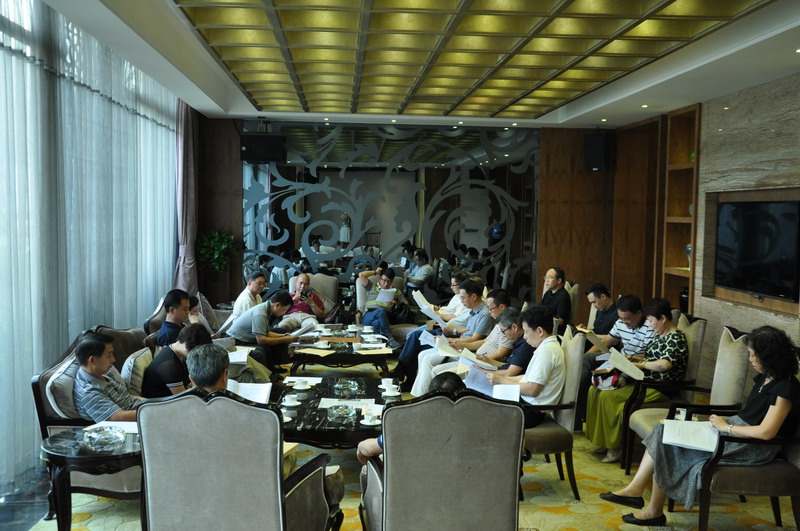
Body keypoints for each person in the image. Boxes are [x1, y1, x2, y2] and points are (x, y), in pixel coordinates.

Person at [600, 326, 800, 527]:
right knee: (665, 430)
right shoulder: (767, 377)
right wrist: (724, 424)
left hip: (750, 445)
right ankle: (637, 491)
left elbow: (766, 432)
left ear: (770, 356)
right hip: (735, 432)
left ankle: (652, 508)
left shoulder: (785, 387)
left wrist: (726, 428)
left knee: (670, 441)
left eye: (753, 355)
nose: (750, 360)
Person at [585, 298, 688, 464]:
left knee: (607, 397)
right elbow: (649, 356)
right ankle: (602, 440)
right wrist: (628, 358)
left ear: (662, 318)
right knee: (594, 390)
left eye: (651, 321)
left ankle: (615, 446)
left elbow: (664, 364)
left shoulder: (676, 337)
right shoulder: (660, 335)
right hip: (642, 381)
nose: (650, 325)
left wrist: (640, 364)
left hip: (659, 387)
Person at [393, 277, 492, 391]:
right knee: (422, 354)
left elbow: (475, 338)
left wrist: (451, 341)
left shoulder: (484, 314)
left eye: (463, 297)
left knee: (428, 359)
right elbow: (469, 330)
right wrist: (452, 334)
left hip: (466, 350)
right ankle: (419, 393)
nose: (461, 301)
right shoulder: (473, 310)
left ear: (473, 297)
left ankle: (422, 394)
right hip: (458, 343)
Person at [410, 289, 513, 396]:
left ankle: (426, 399)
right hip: (475, 358)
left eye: (490, 308)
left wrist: (482, 359)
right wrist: (460, 345)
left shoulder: (506, 327)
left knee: (438, 372)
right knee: (434, 369)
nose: (489, 311)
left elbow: (501, 353)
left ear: (502, 307)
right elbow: (484, 341)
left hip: (483, 364)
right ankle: (422, 398)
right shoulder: (498, 324)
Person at [356, 372, 467, 464]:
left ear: (430, 395)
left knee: (367, 469)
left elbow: (370, 449)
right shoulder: (475, 422)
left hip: (417, 481)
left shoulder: (408, 422)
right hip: (468, 480)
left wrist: (361, 445)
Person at [485, 305, 566, 428]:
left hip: (529, 411)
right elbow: (527, 377)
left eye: (527, 332)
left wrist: (502, 381)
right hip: (525, 404)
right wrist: (500, 378)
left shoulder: (547, 351)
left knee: (480, 407)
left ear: (539, 331)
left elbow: (532, 390)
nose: (524, 336)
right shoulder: (546, 347)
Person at [73, 332, 142, 422]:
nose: (113, 359)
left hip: (141, 411)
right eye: (109, 355)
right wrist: (154, 411)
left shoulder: (101, 372)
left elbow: (127, 397)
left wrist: (153, 404)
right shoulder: (89, 393)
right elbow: (118, 417)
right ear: (92, 360)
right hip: (133, 423)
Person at [226, 291, 294, 373]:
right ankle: (269, 375)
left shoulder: (266, 309)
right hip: (235, 341)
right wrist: (284, 339)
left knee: (281, 333)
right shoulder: (260, 313)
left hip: (245, 338)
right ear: (277, 305)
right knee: (262, 350)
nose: (284, 313)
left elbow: (266, 332)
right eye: (284, 310)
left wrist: (282, 336)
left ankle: (274, 367)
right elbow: (261, 340)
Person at [141, 323, 212, 398]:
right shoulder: (169, 365)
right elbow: (184, 399)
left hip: (175, 397)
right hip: (162, 402)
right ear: (187, 345)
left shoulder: (178, 353)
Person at [358, 266, 407, 351]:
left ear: (392, 281)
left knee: (376, 323)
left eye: (389, 281)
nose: (386, 284)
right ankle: (389, 338)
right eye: (384, 280)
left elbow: (406, 303)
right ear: (380, 279)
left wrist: (395, 303)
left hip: (385, 317)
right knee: (380, 311)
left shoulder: (395, 291)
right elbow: (361, 275)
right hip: (369, 315)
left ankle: (379, 348)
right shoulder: (371, 286)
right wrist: (375, 272)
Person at [540, 266, 571, 333]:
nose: (546, 280)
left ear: (559, 280)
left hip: (554, 332)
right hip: (543, 327)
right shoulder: (548, 293)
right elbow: (540, 309)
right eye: (546, 277)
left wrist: (542, 321)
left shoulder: (563, 296)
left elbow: (560, 321)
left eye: (550, 277)